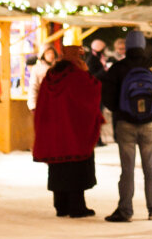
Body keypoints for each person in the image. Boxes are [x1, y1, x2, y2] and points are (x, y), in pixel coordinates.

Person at [101, 30, 152, 222]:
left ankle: (125, 209)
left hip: (125, 124)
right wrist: (151, 111)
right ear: (143, 45)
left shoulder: (117, 68)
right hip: (148, 124)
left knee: (127, 168)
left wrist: (120, 111)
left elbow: (107, 97)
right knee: (150, 166)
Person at [32, 44, 103, 217]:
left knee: (58, 167)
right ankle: (77, 207)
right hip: (74, 129)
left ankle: (60, 205)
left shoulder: (51, 75)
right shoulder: (78, 76)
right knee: (75, 167)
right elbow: (92, 91)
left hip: (54, 128)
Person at [27, 41, 59, 110]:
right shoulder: (37, 69)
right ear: (43, 55)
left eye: (52, 53)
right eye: (48, 53)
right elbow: (33, 87)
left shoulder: (58, 68)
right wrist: (33, 106)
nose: (51, 55)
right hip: (42, 104)